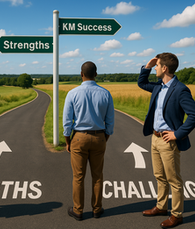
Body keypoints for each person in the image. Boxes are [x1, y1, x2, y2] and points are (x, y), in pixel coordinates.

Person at [138, 53, 195, 228]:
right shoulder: (159, 87)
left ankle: (177, 214)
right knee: (159, 176)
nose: (155, 68)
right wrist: (147, 66)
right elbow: (142, 83)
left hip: (168, 141)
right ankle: (161, 206)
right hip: (155, 138)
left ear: (165, 68)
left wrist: (177, 133)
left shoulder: (180, 89)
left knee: (174, 179)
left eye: (157, 65)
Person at [63, 61, 114, 221]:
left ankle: (78, 210)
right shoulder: (106, 93)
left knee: (78, 176)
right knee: (97, 176)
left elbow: (67, 121)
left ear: (81, 74)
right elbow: (110, 121)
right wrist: (105, 137)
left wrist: (67, 140)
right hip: (99, 137)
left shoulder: (72, 93)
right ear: (96, 74)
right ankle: (97, 209)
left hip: (79, 137)